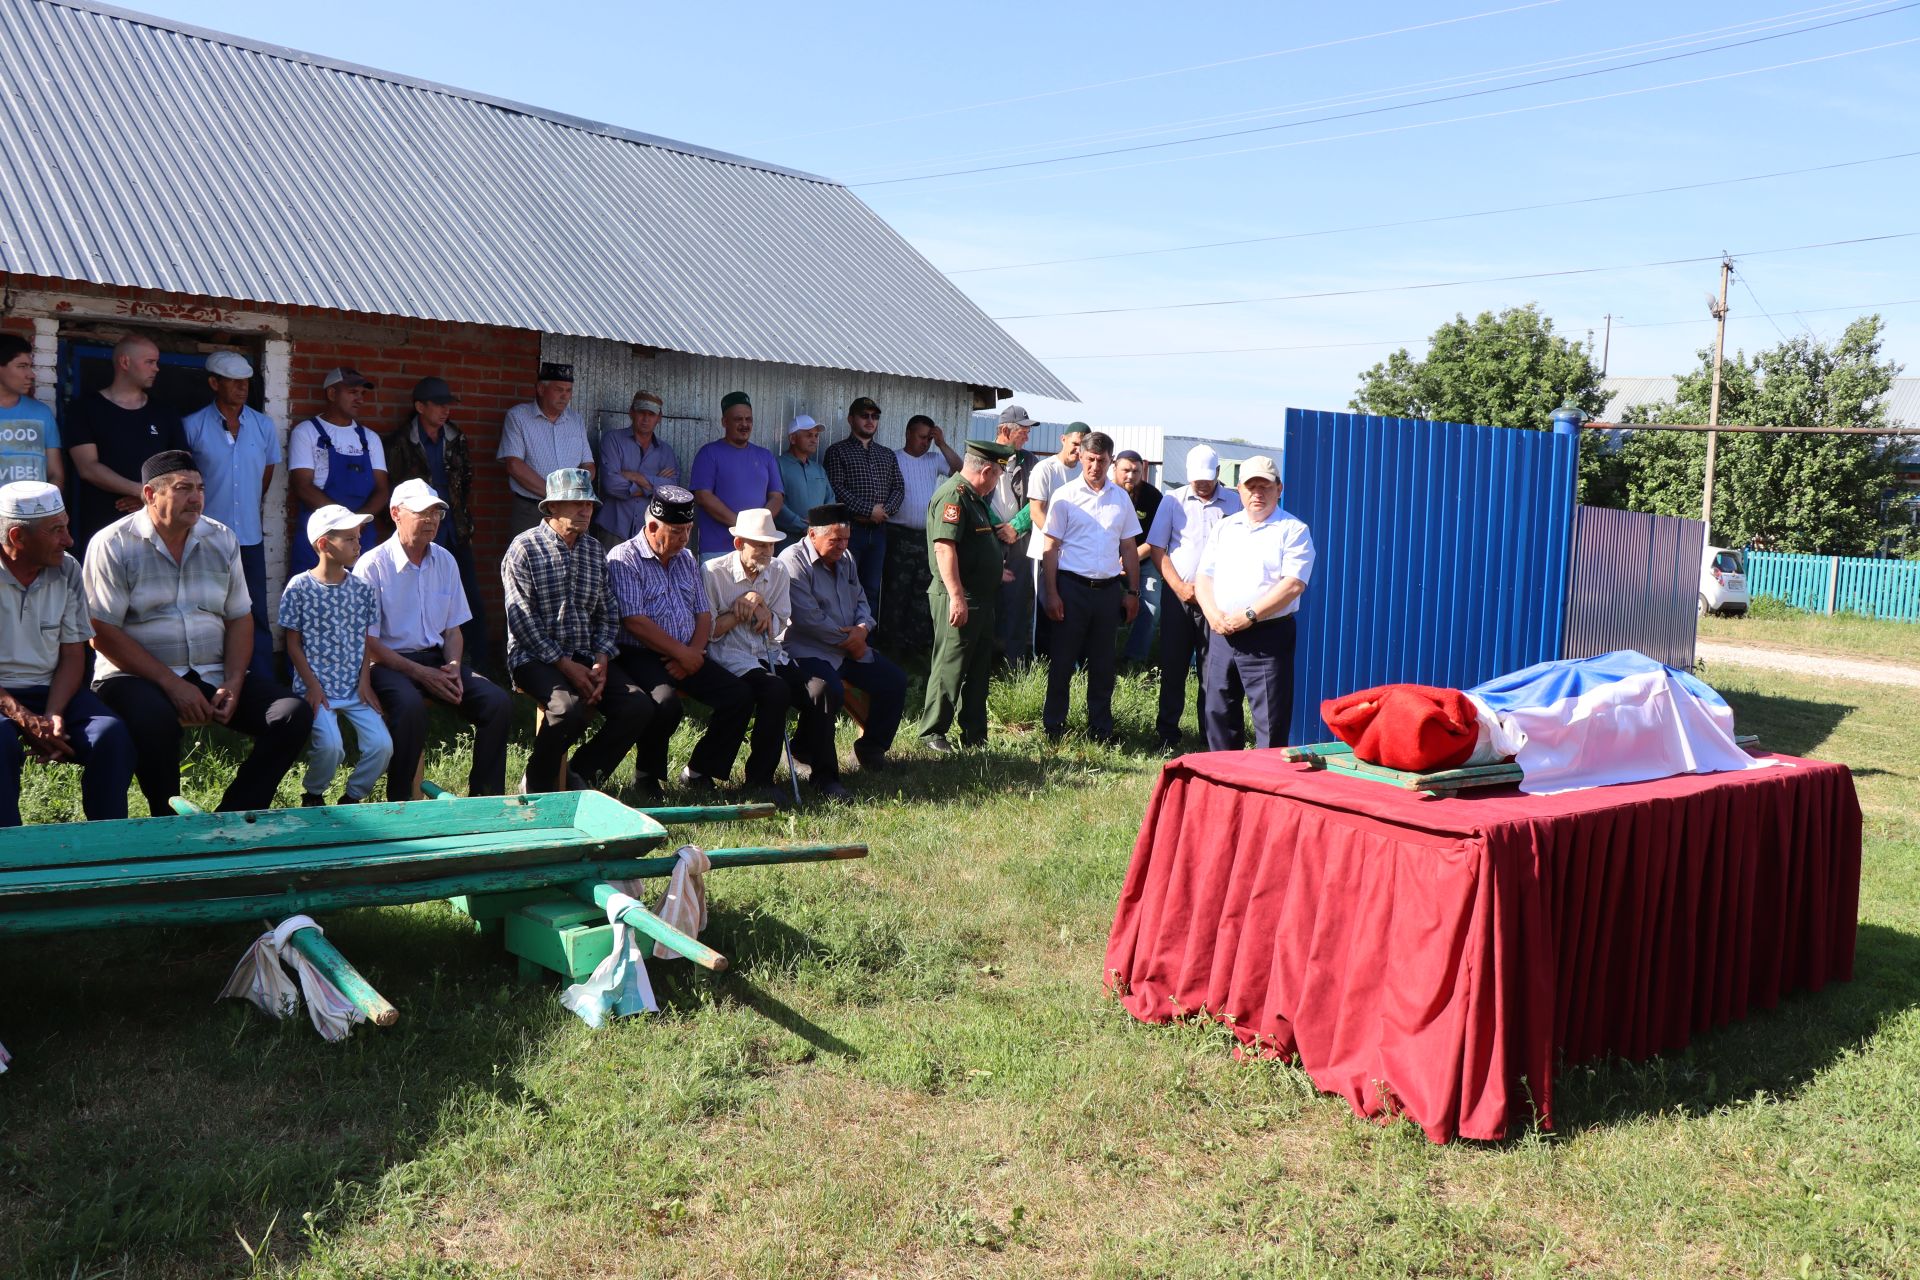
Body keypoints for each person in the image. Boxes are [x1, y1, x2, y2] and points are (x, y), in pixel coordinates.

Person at [85, 451, 313, 815]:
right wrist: (172, 685)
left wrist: (235, 681)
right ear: (150, 494)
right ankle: (169, 817)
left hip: (211, 671)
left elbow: (239, 617)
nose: (197, 498)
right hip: (133, 677)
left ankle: (235, 815)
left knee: (290, 713)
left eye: (200, 489)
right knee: (154, 718)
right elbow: (101, 630)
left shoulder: (220, 538)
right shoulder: (114, 543)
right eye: (183, 488)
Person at [359, 478, 512, 800]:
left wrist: (454, 664)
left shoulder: (445, 559)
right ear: (396, 513)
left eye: (436, 512)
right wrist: (420, 674)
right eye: (421, 512)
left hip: (437, 658)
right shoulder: (372, 565)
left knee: (496, 702)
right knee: (410, 706)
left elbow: (453, 630)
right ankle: (401, 801)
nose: (431, 520)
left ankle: (486, 799)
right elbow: (368, 643)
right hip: (386, 663)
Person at [501, 468, 650, 794]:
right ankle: (538, 784)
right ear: (552, 507)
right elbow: (522, 621)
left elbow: (608, 611)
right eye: (577, 503)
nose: (586, 510)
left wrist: (600, 660)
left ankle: (581, 773)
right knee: (566, 709)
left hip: (585, 653)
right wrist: (565, 665)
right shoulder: (523, 548)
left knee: (638, 706)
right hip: (534, 657)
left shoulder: (594, 550)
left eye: (590, 505)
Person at [607, 485, 754, 796]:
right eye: (676, 532)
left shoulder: (685, 558)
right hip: (639, 653)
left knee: (739, 695)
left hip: (690, 649)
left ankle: (701, 770)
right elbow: (634, 621)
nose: (684, 539)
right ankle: (647, 777)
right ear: (651, 527)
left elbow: (703, 613)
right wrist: (681, 653)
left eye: (688, 530)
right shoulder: (624, 558)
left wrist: (695, 652)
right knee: (666, 703)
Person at [0, 481, 132, 826]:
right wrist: (23, 718)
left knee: (110, 735)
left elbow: (74, 653)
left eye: (66, 527)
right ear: (17, 537)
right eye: (56, 530)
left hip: (50, 689)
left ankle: (109, 847)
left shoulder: (67, 567)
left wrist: (53, 717)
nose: (69, 540)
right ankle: (10, 854)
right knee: (0, 740)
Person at [702, 508, 840, 802]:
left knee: (821, 690)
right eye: (759, 544)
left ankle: (825, 776)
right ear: (739, 544)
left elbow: (777, 624)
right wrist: (745, 608)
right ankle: (760, 779)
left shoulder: (777, 571)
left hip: (771, 654)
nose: (767, 551)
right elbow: (710, 631)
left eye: (771, 544)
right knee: (775, 689)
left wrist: (759, 603)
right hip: (731, 655)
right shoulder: (713, 572)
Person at [777, 503, 908, 784]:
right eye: (835, 540)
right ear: (812, 535)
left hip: (851, 647)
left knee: (894, 680)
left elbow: (861, 599)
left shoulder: (846, 557)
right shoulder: (792, 561)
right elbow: (808, 619)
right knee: (828, 690)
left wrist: (863, 628)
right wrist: (851, 641)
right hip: (808, 650)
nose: (842, 546)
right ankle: (802, 752)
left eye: (846, 539)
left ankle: (871, 748)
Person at [1194, 455, 1315, 751]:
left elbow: (1293, 584)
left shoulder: (1293, 530)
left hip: (1267, 636)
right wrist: (1212, 614)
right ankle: (1224, 782)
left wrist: (1250, 615)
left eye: (1265, 486)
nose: (1257, 493)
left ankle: (1267, 789)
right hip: (1222, 633)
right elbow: (1204, 576)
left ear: (1279, 488)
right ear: (1239, 490)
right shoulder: (1226, 527)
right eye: (1251, 487)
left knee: (1270, 720)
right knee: (1218, 712)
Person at [280, 506, 392, 806]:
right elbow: (293, 643)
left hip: (354, 688)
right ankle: (313, 795)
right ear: (324, 544)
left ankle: (352, 797)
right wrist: (311, 685)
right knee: (331, 748)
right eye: (349, 539)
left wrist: (364, 681)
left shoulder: (362, 589)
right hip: (316, 688)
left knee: (382, 746)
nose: (358, 545)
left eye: (359, 537)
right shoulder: (299, 587)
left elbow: (366, 640)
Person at [181, 350, 280, 680]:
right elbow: (183, 480)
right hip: (203, 537)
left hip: (249, 536)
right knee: (205, 610)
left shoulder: (263, 425)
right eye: (233, 381)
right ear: (214, 383)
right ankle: (210, 679)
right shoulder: (192, 425)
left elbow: (265, 475)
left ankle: (262, 679)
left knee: (255, 611)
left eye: (245, 382)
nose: (241, 388)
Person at [915, 441, 1018, 754]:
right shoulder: (954, 496)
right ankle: (932, 733)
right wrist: (957, 597)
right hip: (959, 597)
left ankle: (974, 734)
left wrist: (992, 571)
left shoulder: (974, 498)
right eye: (998, 475)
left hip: (980, 597)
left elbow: (971, 547)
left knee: (977, 668)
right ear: (986, 470)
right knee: (951, 665)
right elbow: (944, 547)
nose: (997, 481)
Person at [1039, 432, 1141, 743]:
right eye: (1090, 459)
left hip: (1109, 590)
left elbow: (1128, 548)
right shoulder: (1065, 496)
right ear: (1081, 457)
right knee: (1062, 660)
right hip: (1071, 588)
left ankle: (1100, 729)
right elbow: (1051, 547)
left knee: (1102, 664)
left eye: (1102, 460)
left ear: (1111, 461)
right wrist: (1052, 593)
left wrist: (1133, 593)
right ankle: (1054, 727)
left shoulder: (1121, 498)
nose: (1095, 465)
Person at [384, 375, 489, 669]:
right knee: (418, 601)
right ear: (419, 406)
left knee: (470, 600)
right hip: (417, 531)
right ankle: (425, 660)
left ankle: (479, 666)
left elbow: (466, 481)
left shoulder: (456, 438)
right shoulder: (400, 442)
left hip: (453, 528)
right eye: (438, 404)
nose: (446, 410)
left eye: (448, 405)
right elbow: (394, 488)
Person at [1144, 445, 1242, 754]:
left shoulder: (1235, 502)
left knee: (1214, 671)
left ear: (1217, 474)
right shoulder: (1172, 501)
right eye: (1196, 479)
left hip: (1218, 600)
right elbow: (1158, 549)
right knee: (1173, 665)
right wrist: (1179, 587)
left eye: (1207, 479)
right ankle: (1167, 733)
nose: (1201, 485)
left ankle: (1210, 734)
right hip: (1180, 598)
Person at [63, 334, 186, 554]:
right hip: (101, 529)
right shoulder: (85, 409)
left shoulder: (165, 412)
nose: (156, 368)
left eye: (156, 362)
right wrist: (144, 493)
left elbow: (181, 466)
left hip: (158, 528)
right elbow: (88, 467)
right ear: (125, 362)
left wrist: (149, 500)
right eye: (150, 362)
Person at [287, 367, 388, 577]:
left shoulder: (370, 439)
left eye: (362, 394)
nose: (360, 399)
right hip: (320, 535)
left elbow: (382, 490)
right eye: (353, 393)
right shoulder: (306, 432)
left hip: (361, 535)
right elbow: (302, 486)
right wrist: (343, 523)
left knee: (361, 597)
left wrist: (356, 524)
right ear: (332, 394)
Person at [881, 414, 958, 653]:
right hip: (897, 534)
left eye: (929, 438)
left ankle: (916, 647)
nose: (925, 442)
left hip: (926, 537)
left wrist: (942, 444)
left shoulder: (934, 459)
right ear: (908, 434)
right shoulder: (893, 458)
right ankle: (891, 646)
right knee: (896, 592)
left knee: (922, 591)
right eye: (922, 437)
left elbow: (961, 470)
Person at [821, 396, 902, 620]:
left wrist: (884, 512)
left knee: (872, 588)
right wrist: (869, 510)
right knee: (844, 586)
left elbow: (899, 488)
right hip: (849, 532)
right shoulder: (837, 451)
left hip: (879, 532)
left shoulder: (886, 454)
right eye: (864, 416)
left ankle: (867, 641)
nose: (870, 421)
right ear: (851, 419)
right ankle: (844, 639)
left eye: (874, 417)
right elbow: (836, 489)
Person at [499, 362, 594, 539]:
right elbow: (514, 465)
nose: (565, 396)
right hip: (531, 509)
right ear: (541, 389)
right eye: (559, 390)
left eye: (569, 391)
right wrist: (555, 496)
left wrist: (573, 495)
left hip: (570, 511)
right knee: (527, 559)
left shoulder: (576, 420)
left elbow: (588, 465)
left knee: (573, 561)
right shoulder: (518, 416)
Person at [689, 391, 783, 561]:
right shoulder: (709, 453)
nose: (744, 424)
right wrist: (744, 527)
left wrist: (759, 527)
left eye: (748, 419)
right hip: (718, 551)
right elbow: (703, 497)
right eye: (738, 419)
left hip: (759, 549)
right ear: (724, 422)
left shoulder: (765, 456)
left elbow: (777, 497)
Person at [1025, 421, 1086, 660]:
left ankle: (1069, 660)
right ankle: (1042, 662)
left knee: (1072, 609)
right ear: (1063, 439)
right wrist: (1059, 540)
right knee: (1045, 608)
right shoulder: (1045, 469)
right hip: (1046, 552)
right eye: (1075, 444)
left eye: (1083, 446)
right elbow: (1036, 512)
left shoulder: (1085, 471)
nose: (1078, 450)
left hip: (1075, 554)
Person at [597, 389, 681, 544]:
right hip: (614, 528)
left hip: (650, 532)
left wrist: (635, 477)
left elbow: (672, 491)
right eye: (641, 412)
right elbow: (611, 484)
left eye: (651, 414)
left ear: (659, 418)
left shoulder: (666, 451)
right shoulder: (613, 440)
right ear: (631, 413)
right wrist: (655, 484)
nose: (645, 419)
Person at [989, 405, 1039, 663]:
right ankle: (985, 661)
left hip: (1019, 542)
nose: (1026, 437)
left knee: (1017, 600)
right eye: (1022, 431)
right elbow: (974, 495)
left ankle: (1013, 662)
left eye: (1028, 431)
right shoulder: (982, 455)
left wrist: (1015, 527)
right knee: (987, 599)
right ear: (1003, 430)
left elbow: (1038, 499)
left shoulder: (1029, 461)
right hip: (988, 539)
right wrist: (997, 526)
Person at [1114, 450, 1164, 665]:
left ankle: (1134, 659)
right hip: (1107, 562)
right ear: (1114, 467)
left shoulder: (1153, 497)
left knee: (1152, 608)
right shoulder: (1105, 493)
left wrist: (1130, 559)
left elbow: (1156, 538)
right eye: (1125, 470)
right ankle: (1101, 657)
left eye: (1136, 471)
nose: (1130, 476)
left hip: (1143, 560)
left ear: (1143, 470)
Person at [0, 334, 63, 489]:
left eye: (30, 366)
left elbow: (56, 475)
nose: (31, 375)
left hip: (34, 511)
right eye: (21, 366)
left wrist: (48, 508)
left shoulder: (41, 413)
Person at [774, 413, 831, 551]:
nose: (814, 440)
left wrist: (822, 524)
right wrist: (801, 525)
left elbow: (830, 499)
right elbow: (775, 502)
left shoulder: (818, 469)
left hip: (818, 542)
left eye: (816, 435)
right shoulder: (777, 465)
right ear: (793, 438)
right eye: (808, 435)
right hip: (787, 543)